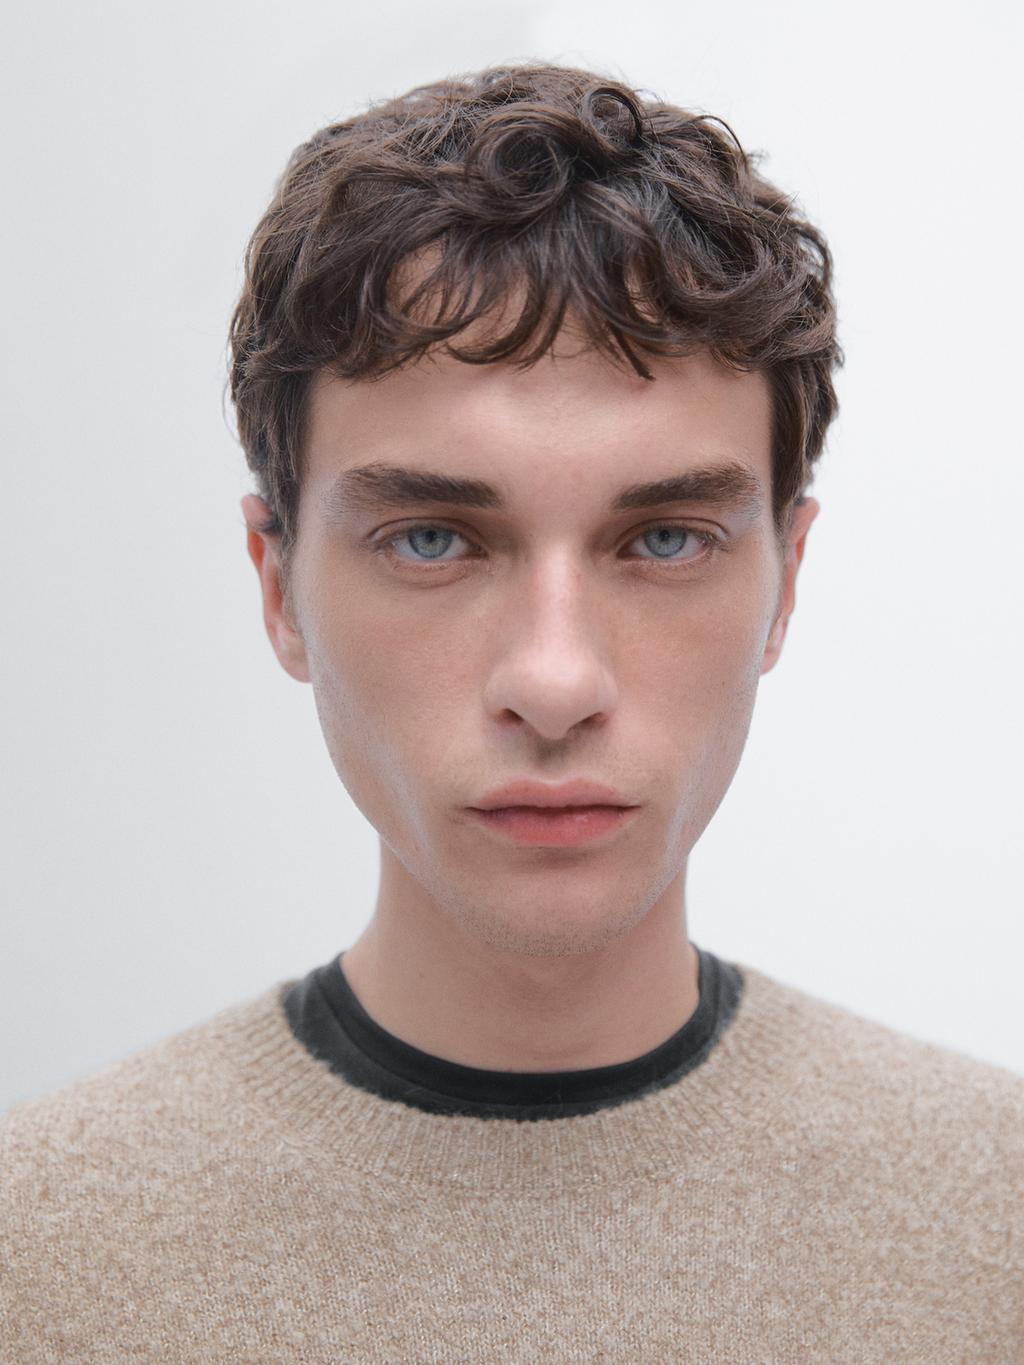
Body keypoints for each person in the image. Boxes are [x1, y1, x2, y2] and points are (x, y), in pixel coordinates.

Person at [2, 63, 1021, 1363]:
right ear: (278, 589)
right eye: (433, 538)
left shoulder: (999, 1224)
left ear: (787, 582)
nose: (554, 681)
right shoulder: (34, 1252)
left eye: (664, 539)